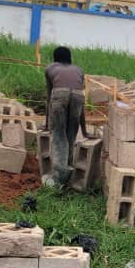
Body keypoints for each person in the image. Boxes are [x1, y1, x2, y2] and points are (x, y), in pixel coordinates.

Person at [44, 46, 88, 187]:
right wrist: (85, 131)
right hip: (78, 96)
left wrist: (46, 124)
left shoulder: (50, 68)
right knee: (71, 135)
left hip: (59, 95)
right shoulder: (79, 70)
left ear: (55, 58)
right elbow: (82, 104)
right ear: (70, 58)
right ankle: (69, 174)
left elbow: (49, 98)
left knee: (59, 135)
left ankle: (58, 179)